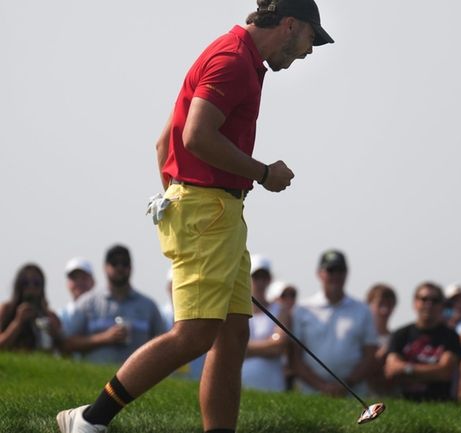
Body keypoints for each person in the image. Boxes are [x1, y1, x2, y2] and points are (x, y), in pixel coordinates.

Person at [56, 2, 333, 432]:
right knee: (195, 334)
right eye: (310, 39)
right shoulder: (232, 60)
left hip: (215, 212)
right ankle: (89, 421)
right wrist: (262, 173)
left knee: (233, 333)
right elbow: (195, 135)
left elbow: (164, 141)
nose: (309, 51)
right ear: (290, 24)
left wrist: (180, 200)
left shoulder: (235, 55)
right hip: (210, 211)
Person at [291, 249, 378, 396]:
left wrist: (347, 384)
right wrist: (322, 386)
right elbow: (294, 356)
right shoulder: (302, 310)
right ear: (319, 273)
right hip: (311, 393)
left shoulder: (362, 310)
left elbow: (370, 355)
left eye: (340, 270)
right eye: (330, 270)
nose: (336, 275)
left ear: (346, 273)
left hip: (353, 393)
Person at [62, 245, 166, 364]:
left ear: (131, 268)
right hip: (95, 379)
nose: (120, 267)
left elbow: (163, 345)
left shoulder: (148, 306)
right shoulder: (87, 303)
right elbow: (68, 343)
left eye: (124, 263)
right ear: (105, 267)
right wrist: (105, 338)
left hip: (138, 381)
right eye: (114, 263)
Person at [385, 282, 461, 402]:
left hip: (440, 404)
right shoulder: (400, 334)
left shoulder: (451, 336)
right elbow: (392, 370)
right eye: (424, 299)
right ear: (415, 303)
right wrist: (431, 371)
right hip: (403, 403)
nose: (429, 304)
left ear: (442, 305)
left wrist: (407, 370)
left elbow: (445, 372)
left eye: (435, 300)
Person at [242, 255, 289, 391]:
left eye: (264, 277)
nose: (260, 282)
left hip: (272, 386)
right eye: (256, 277)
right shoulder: (235, 310)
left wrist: (244, 349)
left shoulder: (280, 310)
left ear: (270, 280)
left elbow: (277, 346)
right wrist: (265, 347)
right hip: (241, 385)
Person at [0, 263, 63, 352]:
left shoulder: (49, 315)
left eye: (36, 283)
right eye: (25, 283)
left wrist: (53, 329)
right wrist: (17, 322)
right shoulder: (7, 309)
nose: (31, 288)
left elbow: (63, 347)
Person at [365, 283, 398, 396]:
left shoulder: (397, 338)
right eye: (380, 304)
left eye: (389, 305)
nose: (385, 310)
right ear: (368, 305)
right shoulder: (360, 339)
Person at [59, 258, 96, 331]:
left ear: (93, 281)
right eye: (74, 278)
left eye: (83, 278)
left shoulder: (102, 311)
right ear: (68, 284)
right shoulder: (61, 316)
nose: (79, 282)